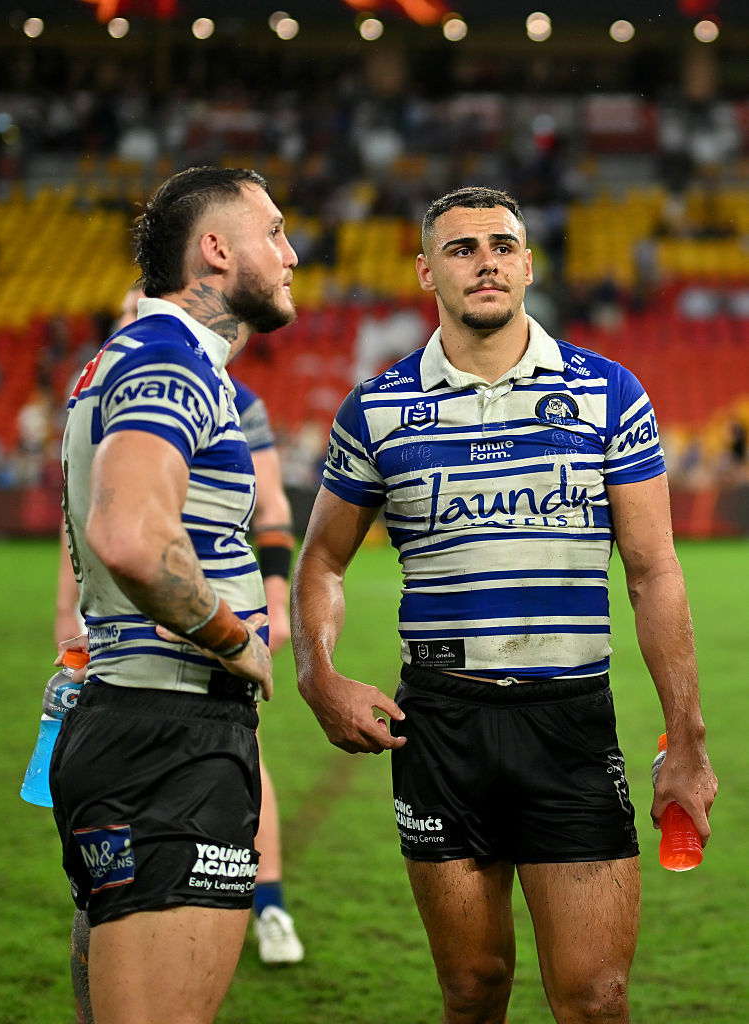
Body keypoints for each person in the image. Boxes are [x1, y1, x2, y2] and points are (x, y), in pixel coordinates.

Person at [290, 186, 718, 1024]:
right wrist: (318, 674)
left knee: (596, 1000)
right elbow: (321, 563)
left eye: (500, 244)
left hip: (569, 723)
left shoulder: (608, 392)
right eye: (459, 248)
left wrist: (687, 741)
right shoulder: (377, 409)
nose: (483, 260)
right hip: (442, 728)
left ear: (527, 263)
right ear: (425, 272)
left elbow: (653, 572)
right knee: (473, 989)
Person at [51, 165, 298, 1024]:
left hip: (134, 724)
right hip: (172, 737)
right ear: (217, 249)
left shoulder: (125, 359)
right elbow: (130, 536)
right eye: (272, 231)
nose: (290, 252)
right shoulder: (173, 358)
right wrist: (234, 637)